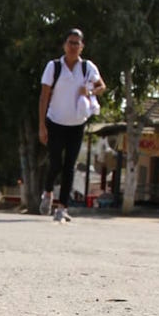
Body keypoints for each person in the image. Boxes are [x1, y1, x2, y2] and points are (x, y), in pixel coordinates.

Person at [38, 28, 106, 222]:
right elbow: (43, 97)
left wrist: (90, 91)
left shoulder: (87, 67)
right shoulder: (54, 67)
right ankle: (48, 192)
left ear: (82, 47)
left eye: (77, 43)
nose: (73, 46)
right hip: (55, 121)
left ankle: (62, 208)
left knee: (70, 166)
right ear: (64, 45)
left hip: (77, 124)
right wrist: (41, 126)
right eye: (70, 42)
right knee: (55, 163)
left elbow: (102, 86)